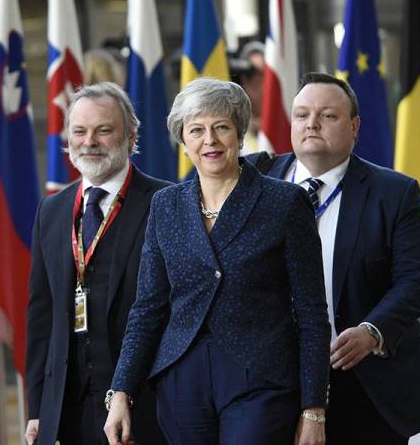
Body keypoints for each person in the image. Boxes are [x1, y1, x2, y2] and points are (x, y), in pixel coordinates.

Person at [104, 78, 330, 445]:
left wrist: (313, 408)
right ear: (184, 141)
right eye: (196, 130)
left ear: (239, 135)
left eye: (221, 127)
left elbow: (312, 313)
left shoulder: (285, 203)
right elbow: (147, 309)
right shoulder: (165, 206)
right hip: (181, 383)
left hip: (261, 379)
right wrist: (120, 393)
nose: (209, 140)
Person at [251, 72, 420, 444]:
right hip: (272, 381)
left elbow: (416, 279)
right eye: (302, 115)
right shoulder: (255, 181)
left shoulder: (394, 192)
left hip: (360, 379)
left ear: (354, 126)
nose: (311, 124)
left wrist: (372, 332)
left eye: (328, 116)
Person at [25, 82, 168, 445]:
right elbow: (42, 316)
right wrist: (38, 408)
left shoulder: (166, 203)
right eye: (79, 131)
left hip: (146, 406)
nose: (89, 141)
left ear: (131, 135)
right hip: (67, 412)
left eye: (104, 130)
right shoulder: (51, 211)